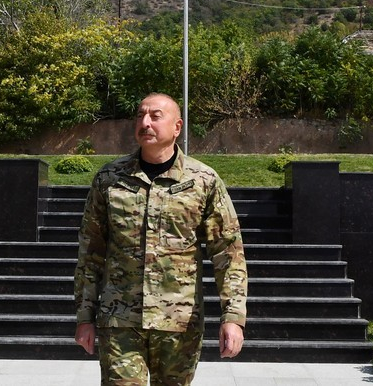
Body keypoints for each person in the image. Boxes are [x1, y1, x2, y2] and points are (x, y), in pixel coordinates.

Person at [74, 92, 248, 385]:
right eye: (140, 116)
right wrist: (84, 317)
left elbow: (228, 253)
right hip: (120, 321)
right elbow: (91, 253)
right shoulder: (109, 179)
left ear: (177, 127)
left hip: (179, 323)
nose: (145, 123)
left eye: (155, 116)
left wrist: (233, 317)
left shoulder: (202, 180)